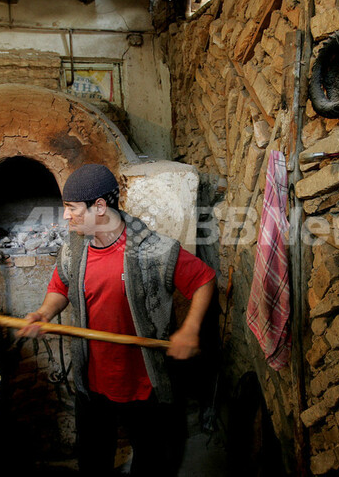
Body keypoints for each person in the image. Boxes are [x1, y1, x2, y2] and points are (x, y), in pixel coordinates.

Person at [16, 163, 215, 477]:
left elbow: (204, 279)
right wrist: (43, 313)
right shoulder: (74, 250)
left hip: (142, 385)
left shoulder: (153, 250)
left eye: (72, 208)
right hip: (92, 381)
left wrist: (190, 330)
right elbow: (60, 287)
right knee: (93, 461)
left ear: (99, 207)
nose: (66, 216)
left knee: (151, 462)